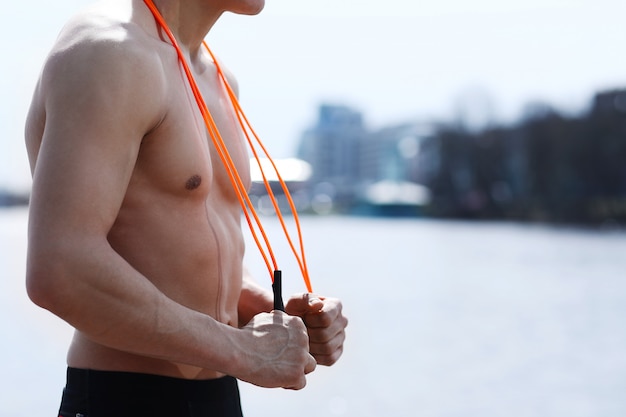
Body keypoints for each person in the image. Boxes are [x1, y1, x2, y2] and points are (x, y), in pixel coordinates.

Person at [24, 0, 348, 415]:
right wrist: (242, 351)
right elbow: (61, 269)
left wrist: (276, 312)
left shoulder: (217, 77)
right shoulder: (109, 51)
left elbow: (198, 249)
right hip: (123, 398)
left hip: (219, 397)